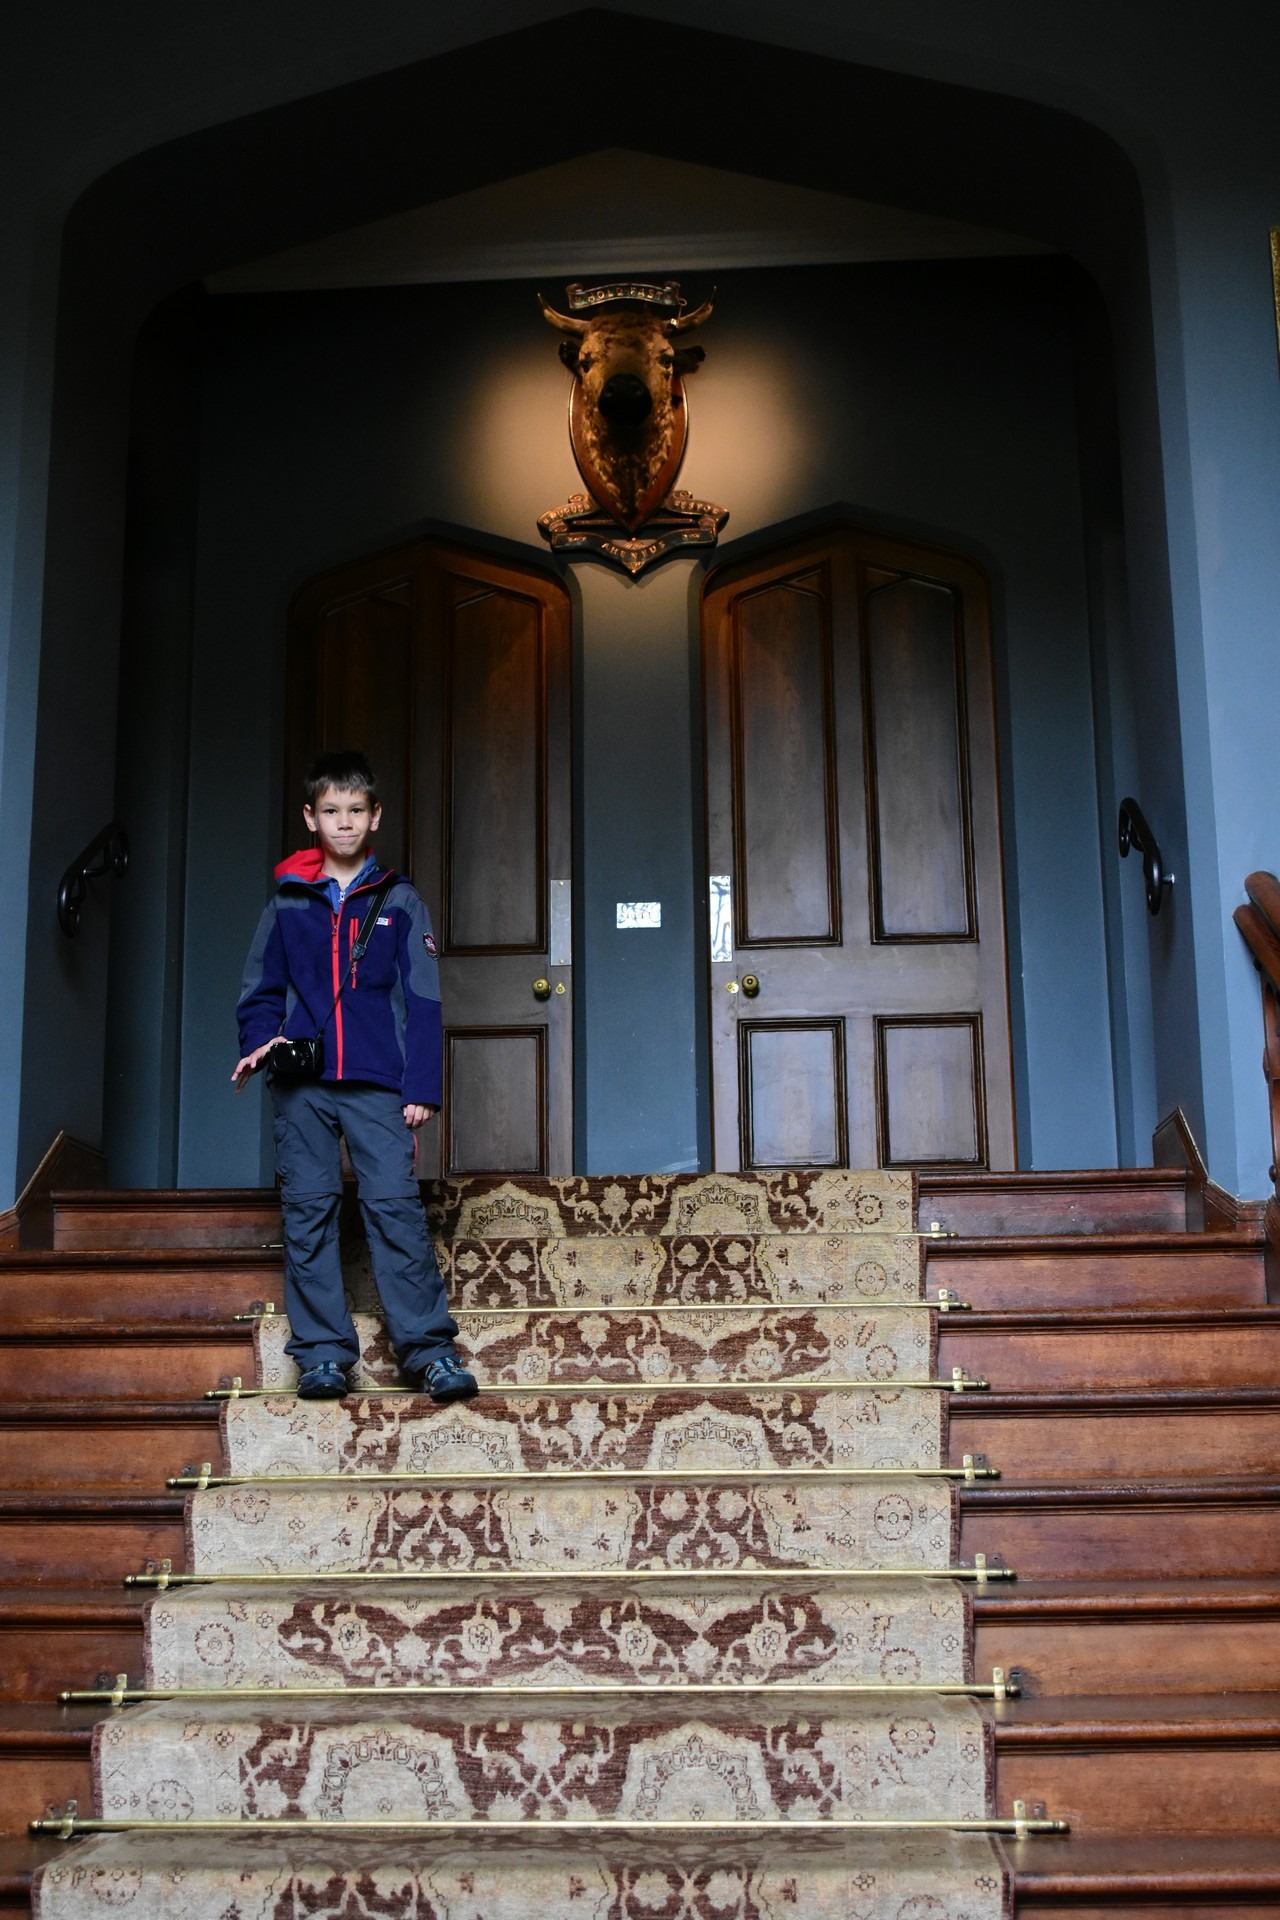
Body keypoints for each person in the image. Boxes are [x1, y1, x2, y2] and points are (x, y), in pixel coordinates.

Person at [232, 748, 478, 1403]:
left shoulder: (400, 900)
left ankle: (429, 1352)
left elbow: (424, 1000)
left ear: (375, 817)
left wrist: (421, 1086)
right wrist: (260, 1042)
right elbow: (261, 989)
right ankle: (321, 1356)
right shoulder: (287, 902)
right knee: (309, 1212)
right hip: (303, 1088)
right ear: (310, 817)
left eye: (355, 810)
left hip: (377, 1084)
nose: (343, 822)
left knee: (394, 1210)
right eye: (331, 811)